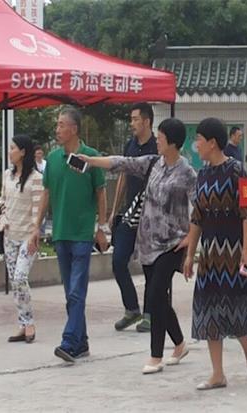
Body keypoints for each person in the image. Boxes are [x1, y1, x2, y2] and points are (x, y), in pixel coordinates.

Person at [78, 117, 197, 374]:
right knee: (159, 297)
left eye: (161, 137)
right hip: (148, 243)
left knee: (154, 297)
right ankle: (179, 345)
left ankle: (156, 356)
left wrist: (191, 238)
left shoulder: (187, 172)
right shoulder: (153, 163)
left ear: (172, 142)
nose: (157, 141)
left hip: (172, 244)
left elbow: (201, 206)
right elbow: (122, 162)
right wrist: (91, 161)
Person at [184, 117, 247, 391]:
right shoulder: (202, 175)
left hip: (233, 252)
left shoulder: (238, 172)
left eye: (199, 139)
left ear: (212, 142)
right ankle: (218, 374)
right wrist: (190, 254)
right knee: (210, 310)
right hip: (209, 254)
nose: (196, 144)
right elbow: (197, 217)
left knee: (235, 307)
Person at [31, 106, 109, 363]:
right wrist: (37, 226)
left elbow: (100, 192)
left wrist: (101, 227)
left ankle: (68, 341)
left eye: (61, 125)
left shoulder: (91, 157)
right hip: (61, 232)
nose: (57, 129)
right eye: (57, 124)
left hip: (83, 234)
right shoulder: (53, 159)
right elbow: (46, 194)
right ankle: (81, 341)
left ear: (74, 129)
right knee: (70, 293)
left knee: (76, 291)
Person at [111, 102, 158, 333]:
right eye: (131, 119)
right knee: (118, 261)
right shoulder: (130, 145)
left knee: (150, 266)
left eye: (135, 119)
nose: (132, 124)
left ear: (147, 121)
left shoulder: (157, 147)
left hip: (151, 217)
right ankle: (131, 309)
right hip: (129, 214)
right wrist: (114, 209)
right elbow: (123, 175)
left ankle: (150, 313)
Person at [0, 135, 43, 344]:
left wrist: (35, 232)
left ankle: (29, 322)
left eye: (13, 148)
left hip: (27, 237)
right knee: (14, 282)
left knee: (20, 278)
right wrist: (2, 216)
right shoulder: (7, 175)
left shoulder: (36, 178)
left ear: (23, 152)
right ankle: (23, 323)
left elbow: (38, 210)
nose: (10, 152)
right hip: (9, 235)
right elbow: (2, 200)